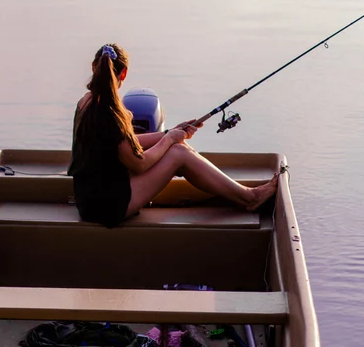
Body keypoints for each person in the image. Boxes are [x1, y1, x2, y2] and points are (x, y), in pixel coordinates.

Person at [68, 43, 278, 227]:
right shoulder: (111, 113)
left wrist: (169, 133)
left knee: (178, 147)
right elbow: (138, 164)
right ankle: (249, 198)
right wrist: (168, 140)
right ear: (124, 74)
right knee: (178, 154)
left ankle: (241, 194)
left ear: (94, 67)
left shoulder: (86, 103)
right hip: (107, 207)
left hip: (89, 199)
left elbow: (121, 144)